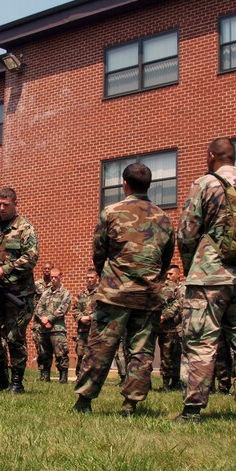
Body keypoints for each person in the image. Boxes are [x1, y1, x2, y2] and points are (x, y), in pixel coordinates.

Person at [72, 162, 175, 416]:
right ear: (149, 185)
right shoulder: (164, 218)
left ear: (125, 184)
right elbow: (167, 257)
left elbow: (99, 252)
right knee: (142, 351)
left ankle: (84, 401)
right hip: (148, 296)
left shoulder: (111, 212)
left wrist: (107, 275)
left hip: (114, 294)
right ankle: (131, 404)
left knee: (100, 347)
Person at [176, 137, 236, 424]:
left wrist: (192, 266)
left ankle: (193, 410)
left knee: (202, 340)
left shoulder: (204, 184)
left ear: (212, 155)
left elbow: (187, 232)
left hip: (209, 276)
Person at [0, 187, 39, 393]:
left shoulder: (25, 228)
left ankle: (16, 383)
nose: (2, 208)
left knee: (15, 337)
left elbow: (31, 258)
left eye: (6, 205)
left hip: (17, 294)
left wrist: (2, 271)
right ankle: (0, 378)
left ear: (15, 203)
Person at [33, 267, 72, 384]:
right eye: (52, 277)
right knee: (44, 353)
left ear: (61, 277)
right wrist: (44, 320)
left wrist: (49, 318)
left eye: (56, 277)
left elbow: (63, 308)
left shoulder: (65, 293)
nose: (53, 279)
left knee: (61, 353)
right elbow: (38, 307)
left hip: (57, 329)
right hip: (44, 329)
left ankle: (63, 377)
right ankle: (45, 376)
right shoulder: (46, 292)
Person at [158, 264, 183, 391]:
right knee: (165, 355)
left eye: (171, 274)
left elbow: (179, 304)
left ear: (179, 275)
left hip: (177, 328)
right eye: (167, 274)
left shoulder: (182, 289)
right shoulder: (163, 287)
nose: (168, 276)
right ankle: (166, 384)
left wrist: (164, 316)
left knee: (176, 356)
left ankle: (176, 382)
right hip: (164, 329)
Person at [72, 268, 99, 377]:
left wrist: (90, 317)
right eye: (87, 278)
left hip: (95, 330)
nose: (89, 280)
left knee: (94, 354)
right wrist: (80, 318)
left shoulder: (101, 294)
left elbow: (104, 310)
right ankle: (79, 377)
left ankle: (93, 378)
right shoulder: (80, 294)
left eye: (91, 277)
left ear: (96, 279)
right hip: (82, 330)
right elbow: (75, 309)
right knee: (80, 353)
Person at [33, 262, 53, 380]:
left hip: (51, 321)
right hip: (38, 321)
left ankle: (48, 372)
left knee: (49, 347)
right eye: (45, 268)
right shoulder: (36, 285)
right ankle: (42, 373)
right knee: (39, 347)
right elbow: (33, 301)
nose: (47, 270)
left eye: (49, 269)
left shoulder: (55, 285)